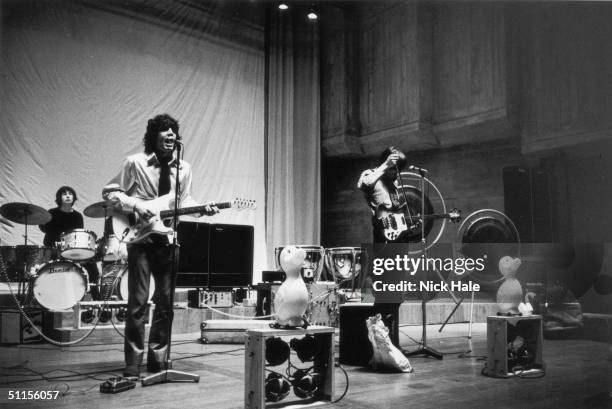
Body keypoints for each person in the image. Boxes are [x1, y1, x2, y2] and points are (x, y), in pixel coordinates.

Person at [102, 114, 217, 378]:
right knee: (138, 303)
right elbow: (109, 193)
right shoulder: (135, 162)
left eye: (173, 131)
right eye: (164, 130)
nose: (170, 134)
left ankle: (157, 360)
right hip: (140, 240)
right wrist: (136, 205)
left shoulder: (184, 168)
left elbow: (184, 200)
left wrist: (203, 210)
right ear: (153, 136)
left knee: (165, 305)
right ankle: (132, 363)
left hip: (168, 240)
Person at [357, 146, 409, 350]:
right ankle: (379, 343)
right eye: (394, 168)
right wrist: (385, 165)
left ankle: (392, 342)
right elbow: (364, 184)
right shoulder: (372, 174)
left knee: (396, 294)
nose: (396, 173)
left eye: (398, 169)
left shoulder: (394, 184)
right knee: (384, 293)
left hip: (399, 242)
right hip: (383, 241)